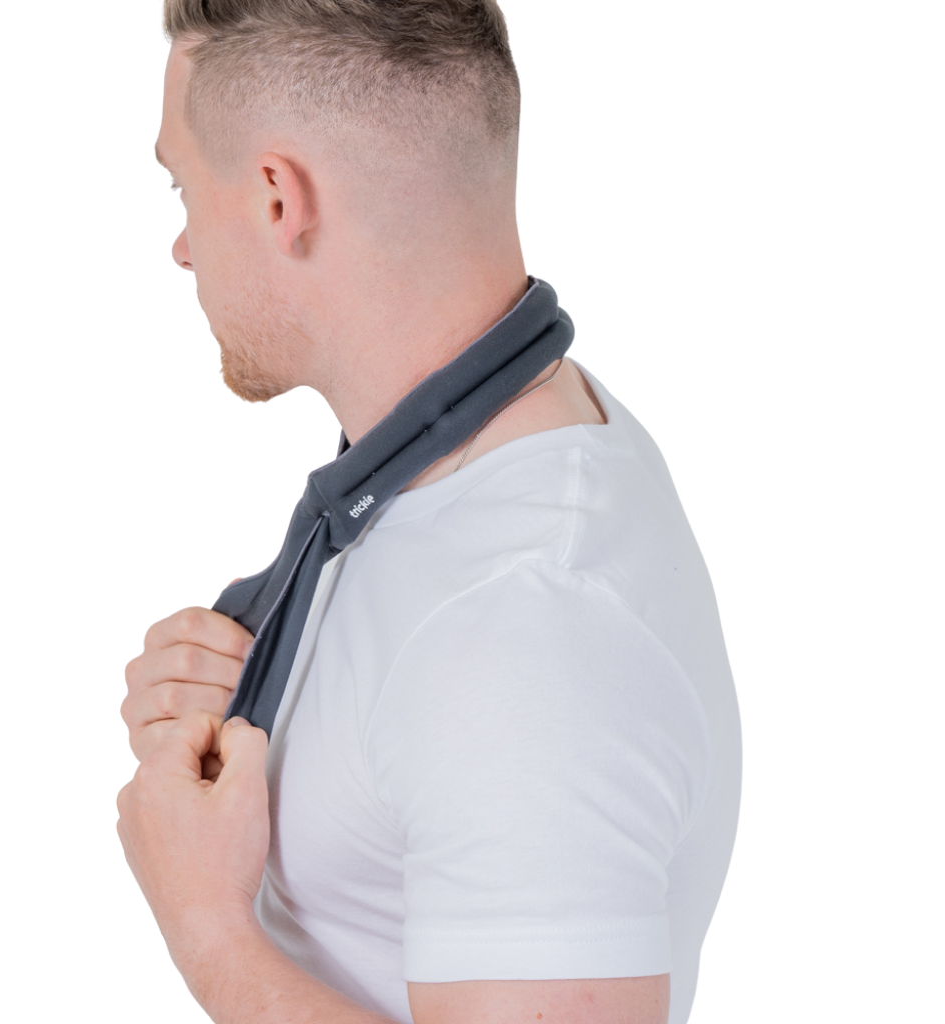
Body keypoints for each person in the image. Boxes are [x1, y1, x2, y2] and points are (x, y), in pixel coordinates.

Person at [116, 2, 742, 1023]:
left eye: (181, 186)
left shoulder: (526, 630)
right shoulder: (467, 448)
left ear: (277, 198)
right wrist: (241, 705)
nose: (182, 245)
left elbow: (482, 683)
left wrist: (206, 925)